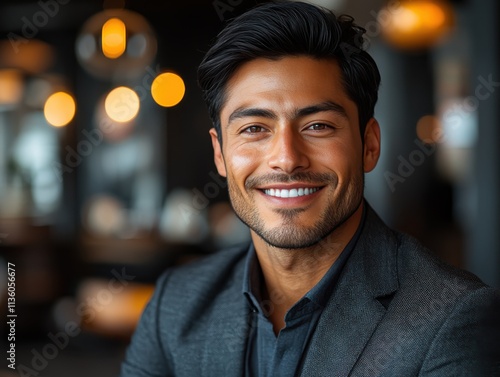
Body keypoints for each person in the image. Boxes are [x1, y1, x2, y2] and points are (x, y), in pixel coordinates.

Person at [120, 1, 500, 376]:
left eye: (317, 126)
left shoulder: (451, 317)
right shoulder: (176, 302)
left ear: (369, 144)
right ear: (220, 154)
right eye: (254, 129)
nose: (286, 159)